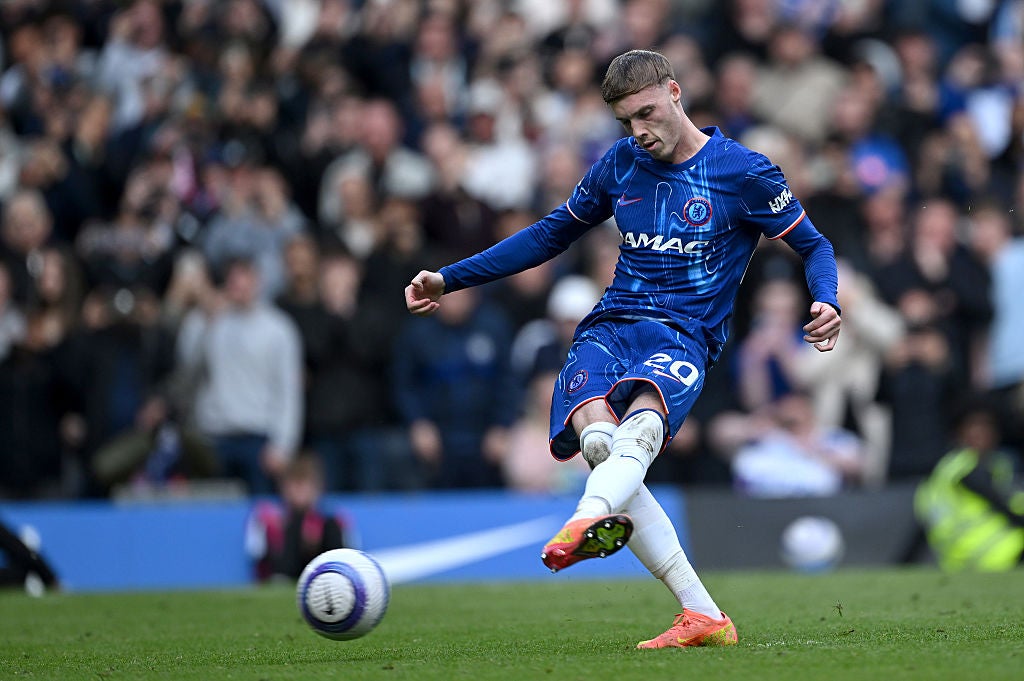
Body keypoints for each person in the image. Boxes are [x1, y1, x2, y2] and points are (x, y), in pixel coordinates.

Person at [405, 49, 842, 649]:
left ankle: (586, 518)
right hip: (610, 327)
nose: (639, 131)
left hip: (685, 333)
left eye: (646, 113)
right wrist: (449, 279)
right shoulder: (621, 164)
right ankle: (702, 614)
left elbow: (816, 246)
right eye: (625, 120)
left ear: (675, 93)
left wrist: (826, 300)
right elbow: (549, 235)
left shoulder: (742, 172)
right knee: (598, 445)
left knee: (637, 432)